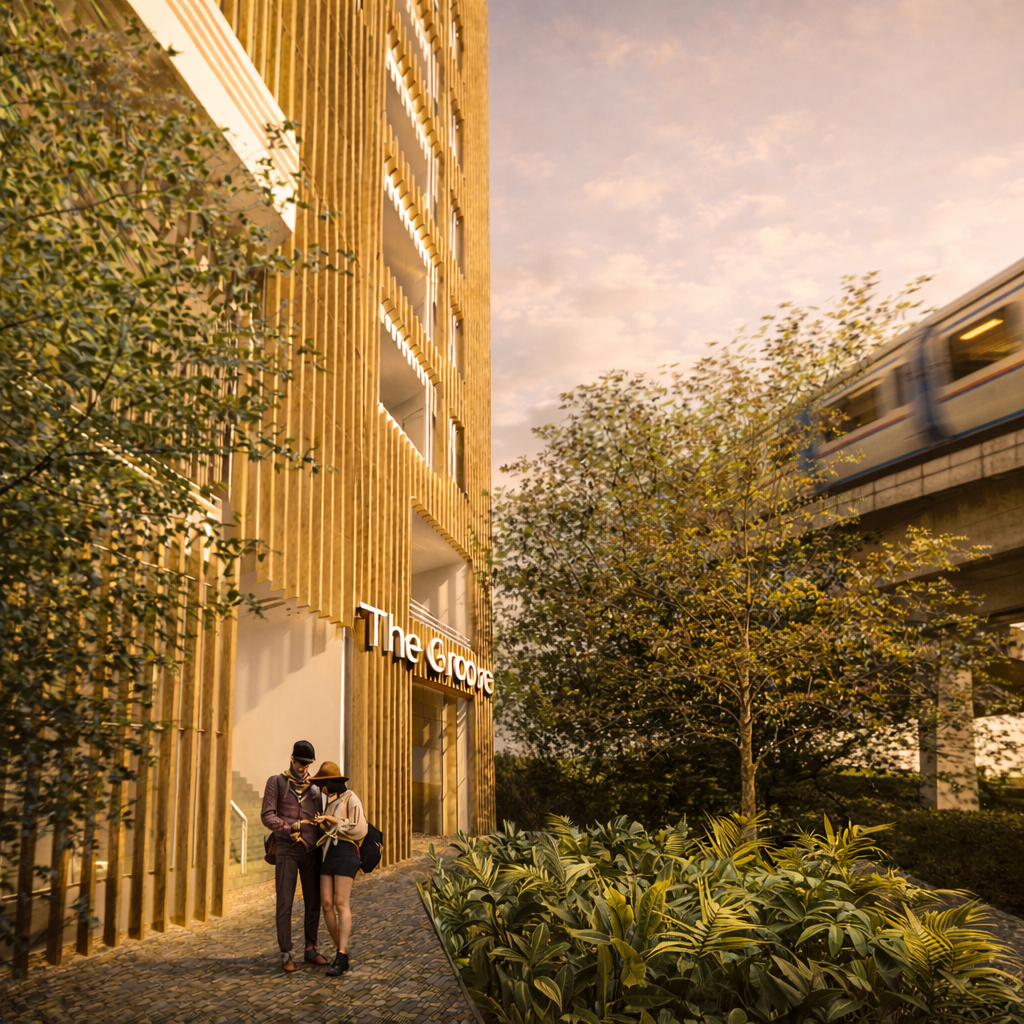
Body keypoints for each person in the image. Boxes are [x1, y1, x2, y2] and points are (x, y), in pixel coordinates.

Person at [260, 740, 331, 973]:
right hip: (286, 851)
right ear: (292, 759)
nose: (304, 768)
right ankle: (285, 953)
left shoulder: (315, 789)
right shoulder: (276, 782)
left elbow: (321, 818)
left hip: (311, 852)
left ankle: (310, 949)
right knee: (285, 902)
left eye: (308, 764)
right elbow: (267, 815)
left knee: (314, 901)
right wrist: (290, 826)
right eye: (301, 763)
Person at [311, 760, 367, 977]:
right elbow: (330, 830)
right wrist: (322, 823)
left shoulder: (351, 799)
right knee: (326, 903)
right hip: (329, 853)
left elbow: (358, 829)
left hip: (346, 853)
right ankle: (339, 949)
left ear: (331, 782)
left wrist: (332, 820)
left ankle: (342, 955)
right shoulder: (330, 801)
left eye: (322, 784)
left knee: (341, 903)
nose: (321, 789)